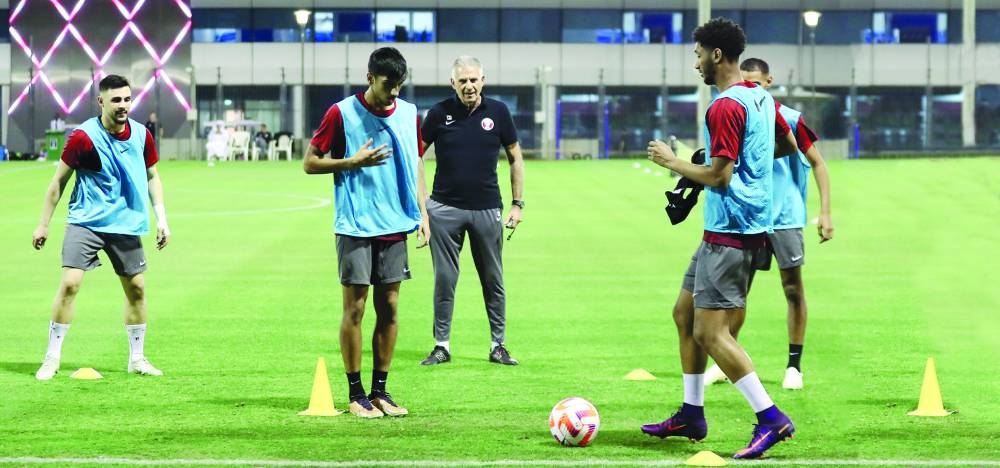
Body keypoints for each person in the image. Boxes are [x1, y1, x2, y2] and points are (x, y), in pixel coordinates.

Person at [640, 18, 799, 460]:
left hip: (730, 232)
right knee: (683, 313)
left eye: (697, 55)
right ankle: (692, 413)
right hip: (737, 229)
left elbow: (717, 174)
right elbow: (786, 144)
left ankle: (770, 417)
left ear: (715, 55)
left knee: (711, 333)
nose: (695, 63)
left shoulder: (726, 106)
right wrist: (751, 162)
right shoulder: (760, 95)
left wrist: (671, 162)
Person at [303, 47, 430, 419]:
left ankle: (381, 392)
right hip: (356, 225)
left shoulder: (409, 114)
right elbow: (309, 162)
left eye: (399, 86)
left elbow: (416, 160)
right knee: (355, 309)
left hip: (395, 225)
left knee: (389, 309)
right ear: (370, 78)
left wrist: (423, 212)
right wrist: (350, 162)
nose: (394, 93)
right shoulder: (340, 113)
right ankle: (356, 394)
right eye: (388, 85)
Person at [703, 58, 835, 390]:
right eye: (744, 83)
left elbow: (817, 163)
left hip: (785, 217)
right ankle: (726, 359)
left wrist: (826, 212)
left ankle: (794, 365)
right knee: (736, 292)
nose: (750, 89)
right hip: (748, 217)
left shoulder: (788, 118)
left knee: (792, 288)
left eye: (757, 83)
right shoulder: (735, 113)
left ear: (769, 82)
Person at [32, 74, 170, 381]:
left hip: (126, 223)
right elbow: (58, 182)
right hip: (86, 221)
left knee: (137, 288)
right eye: (116, 100)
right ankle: (51, 358)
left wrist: (162, 219)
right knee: (70, 284)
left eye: (127, 99)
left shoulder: (141, 135)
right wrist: (43, 225)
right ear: (101, 101)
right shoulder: (83, 137)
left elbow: (152, 177)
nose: (123, 106)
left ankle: (137, 358)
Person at [418, 56, 525, 367]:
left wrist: (518, 203)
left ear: (483, 80)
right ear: (453, 83)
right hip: (444, 209)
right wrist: (424, 207)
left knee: (493, 279)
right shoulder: (438, 114)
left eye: (473, 80)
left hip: (487, 208)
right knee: (445, 279)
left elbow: (516, 158)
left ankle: (498, 345)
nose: (468, 85)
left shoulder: (499, 112)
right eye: (462, 81)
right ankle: (441, 345)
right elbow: (416, 156)